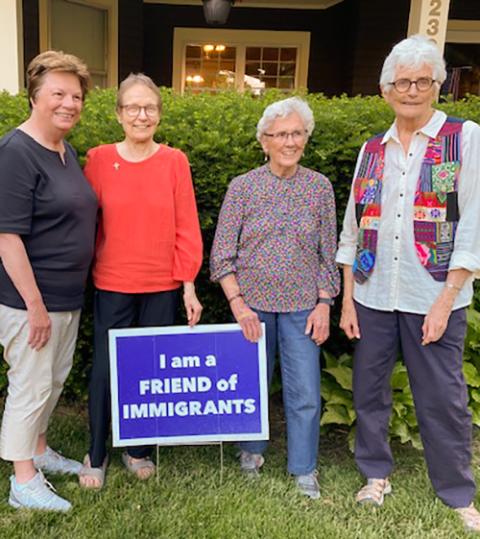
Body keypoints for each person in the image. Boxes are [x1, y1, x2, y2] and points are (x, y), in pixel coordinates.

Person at [336, 35, 480, 531]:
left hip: (432, 294)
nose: (412, 90)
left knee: (442, 397)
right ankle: (375, 474)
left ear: (438, 86)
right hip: (374, 292)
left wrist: (447, 300)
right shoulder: (372, 149)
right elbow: (354, 226)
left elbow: (474, 224)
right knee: (368, 390)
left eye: (423, 81)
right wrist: (349, 297)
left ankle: (458, 492)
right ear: (386, 90)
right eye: (403, 81)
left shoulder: (465, 139)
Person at [210, 97, 339, 499]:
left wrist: (324, 303)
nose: (290, 141)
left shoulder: (319, 187)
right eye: (281, 134)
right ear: (264, 141)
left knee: (304, 391)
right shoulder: (243, 187)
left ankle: (304, 468)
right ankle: (250, 452)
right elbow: (221, 255)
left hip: (303, 305)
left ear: (306, 138)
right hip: (252, 305)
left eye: (297, 133)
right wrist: (238, 304)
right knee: (251, 385)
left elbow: (327, 252)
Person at [79, 73, 203, 489]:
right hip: (112, 282)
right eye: (132, 107)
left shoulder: (174, 161)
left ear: (159, 115)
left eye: (149, 107)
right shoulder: (97, 159)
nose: (141, 114)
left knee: (150, 371)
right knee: (105, 371)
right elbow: (85, 224)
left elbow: (186, 226)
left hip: (162, 286)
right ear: (118, 114)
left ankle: (138, 450)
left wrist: (188, 285)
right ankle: (96, 453)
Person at [0, 51, 97, 511]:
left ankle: (39, 449)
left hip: (65, 297)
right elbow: (8, 237)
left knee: (53, 381)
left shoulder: (63, 150)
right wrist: (34, 305)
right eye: (58, 93)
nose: (69, 103)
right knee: (31, 385)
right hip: (28, 302)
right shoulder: (16, 152)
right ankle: (23, 482)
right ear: (35, 95)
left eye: (75, 95)